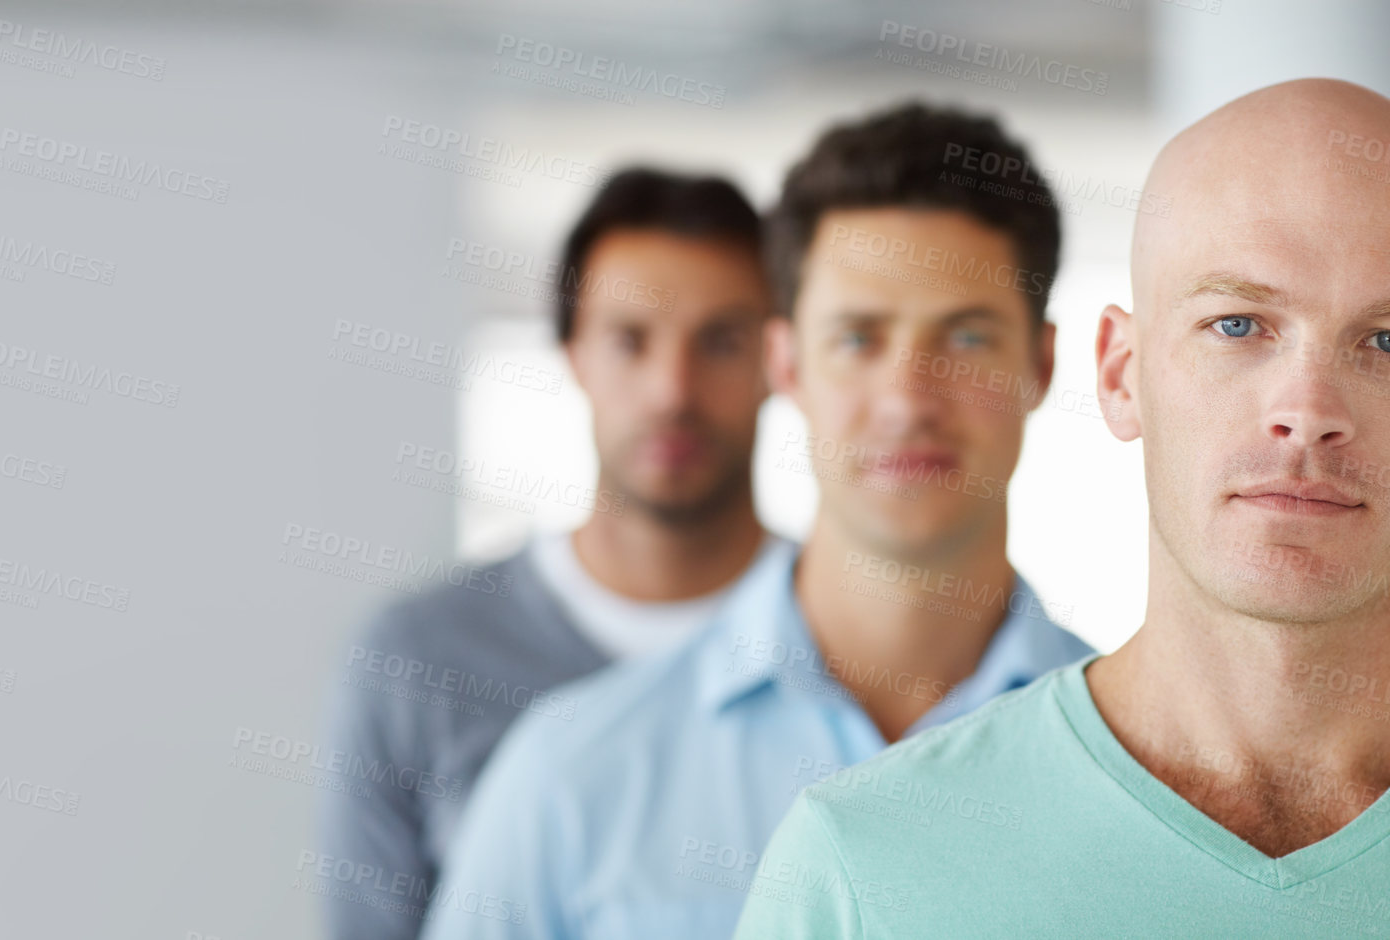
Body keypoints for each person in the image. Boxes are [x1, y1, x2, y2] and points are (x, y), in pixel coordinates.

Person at [733, 78, 1390, 938]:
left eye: (1389, 340)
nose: (1308, 410)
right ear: (1120, 374)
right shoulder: (861, 870)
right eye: (1238, 326)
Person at [418, 101, 1092, 939]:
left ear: (1041, 364)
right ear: (785, 363)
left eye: (965, 338)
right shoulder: (571, 776)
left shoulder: (1153, 778)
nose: (908, 400)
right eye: (858, 338)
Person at [315, 167, 790, 940]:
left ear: (782, 360)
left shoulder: (855, 645)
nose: (673, 389)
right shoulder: (416, 658)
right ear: (573, 354)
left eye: (722, 341)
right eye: (629, 340)